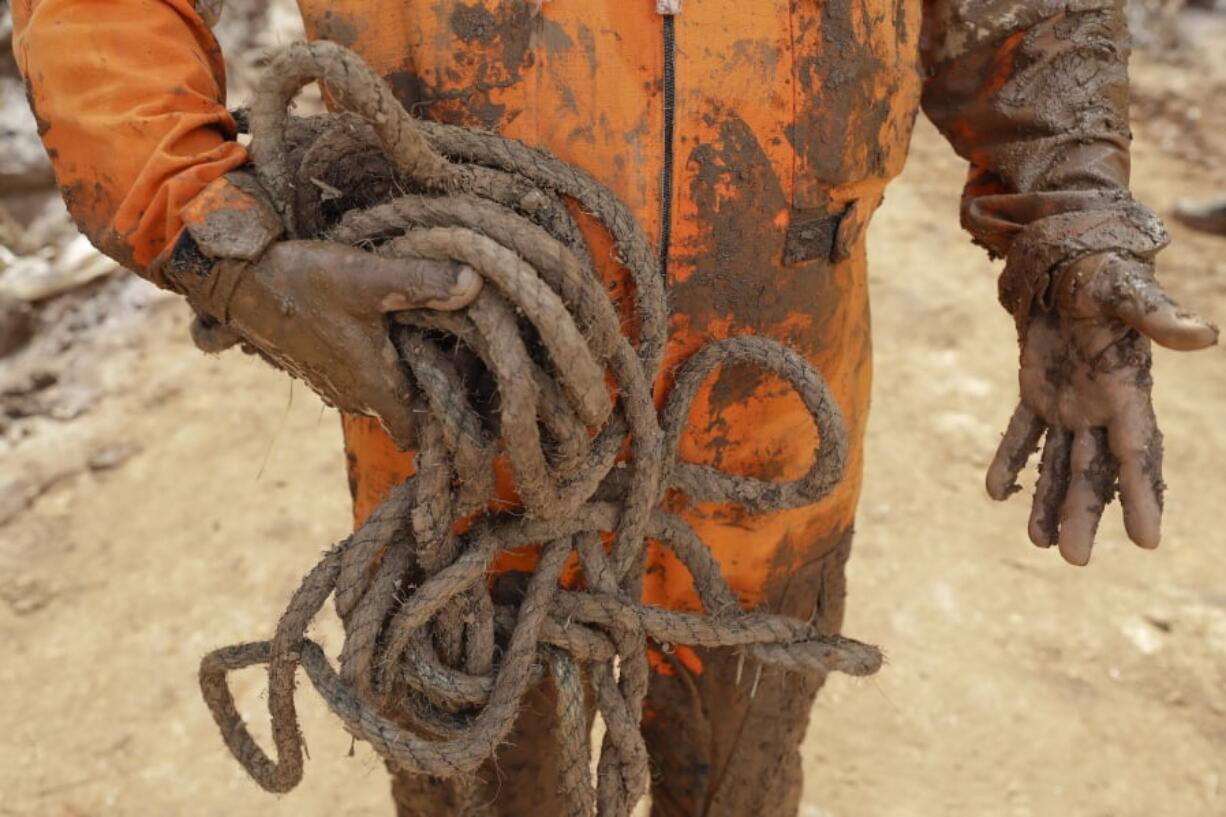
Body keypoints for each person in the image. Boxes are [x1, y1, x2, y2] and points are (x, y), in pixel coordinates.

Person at [10, 1, 1219, 815]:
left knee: (740, 780)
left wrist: (1066, 221)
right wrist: (220, 240)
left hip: (766, 466)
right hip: (458, 473)